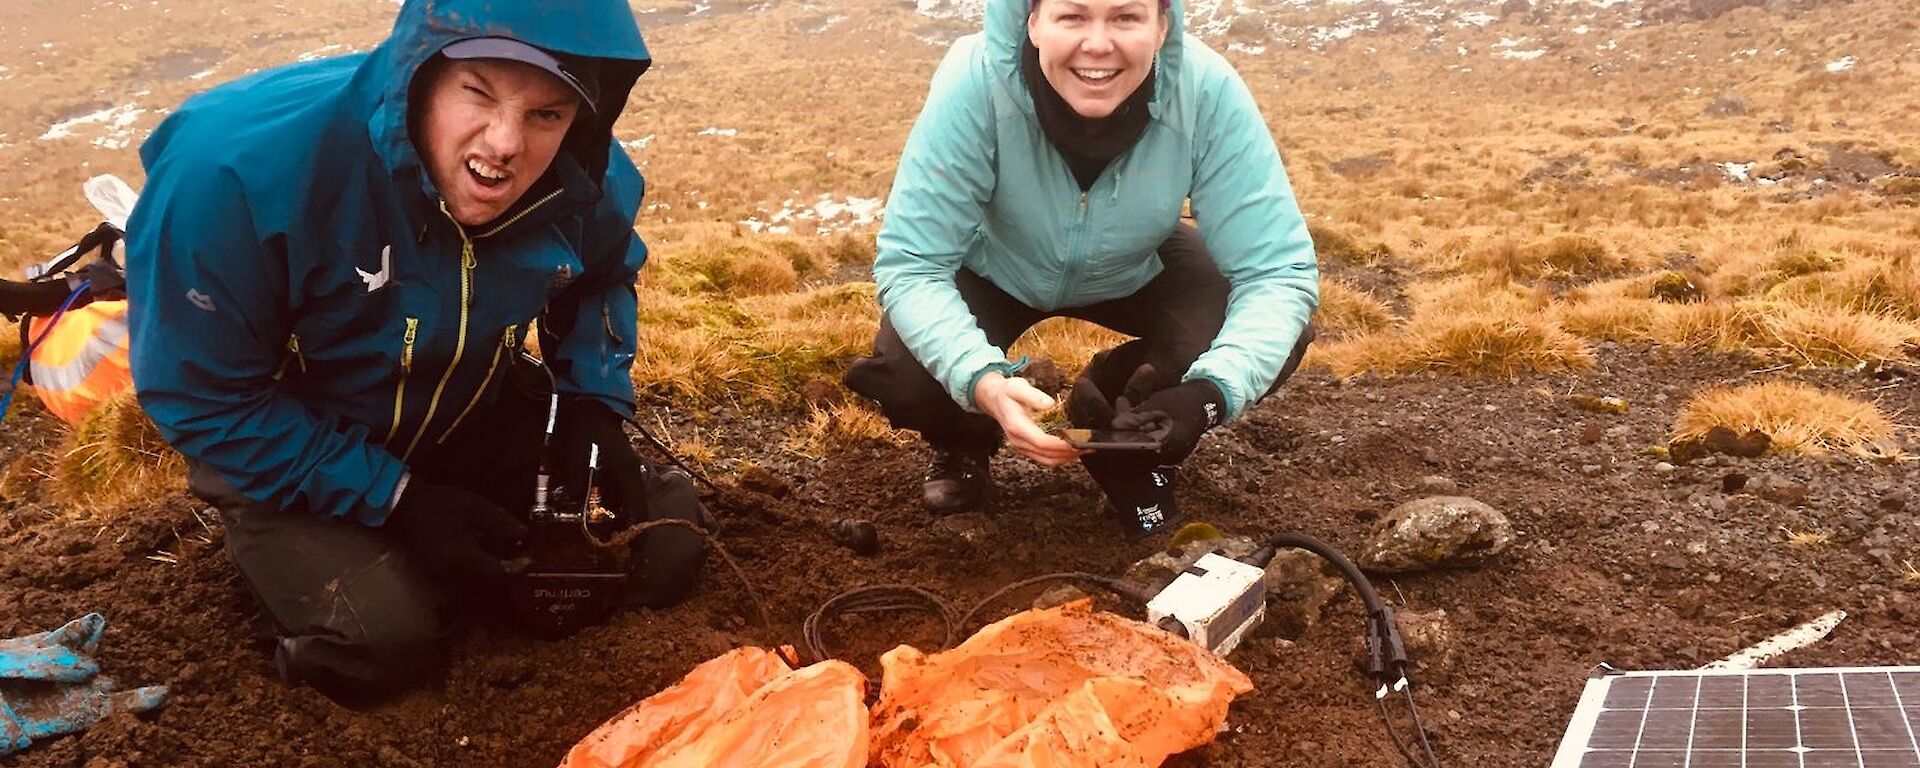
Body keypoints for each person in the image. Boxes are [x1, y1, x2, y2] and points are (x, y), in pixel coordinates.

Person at [125, 0, 705, 700]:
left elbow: (602, 274)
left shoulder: (583, 174)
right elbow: (203, 397)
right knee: (383, 643)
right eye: (478, 94)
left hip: (466, 402)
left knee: (665, 546)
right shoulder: (232, 172)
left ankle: (451, 557)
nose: (505, 144)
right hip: (291, 447)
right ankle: (338, 583)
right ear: (421, 74)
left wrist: (591, 403)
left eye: (546, 115)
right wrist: (399, 502)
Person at [844, 0, 1318, 539]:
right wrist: (980, 379)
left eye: (1125, 17)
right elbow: (914, 263)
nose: (1097, 44)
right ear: (1032, 22)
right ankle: (964, 442)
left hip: (1137, 262)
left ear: (1162, 25)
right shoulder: (974, 80)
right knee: (912, 375)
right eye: (1072, 16)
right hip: (997, 264)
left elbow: (1277, 273)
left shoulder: (1205, 89)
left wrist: (1206, 395)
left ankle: (1125, 413)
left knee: (1271, 328)